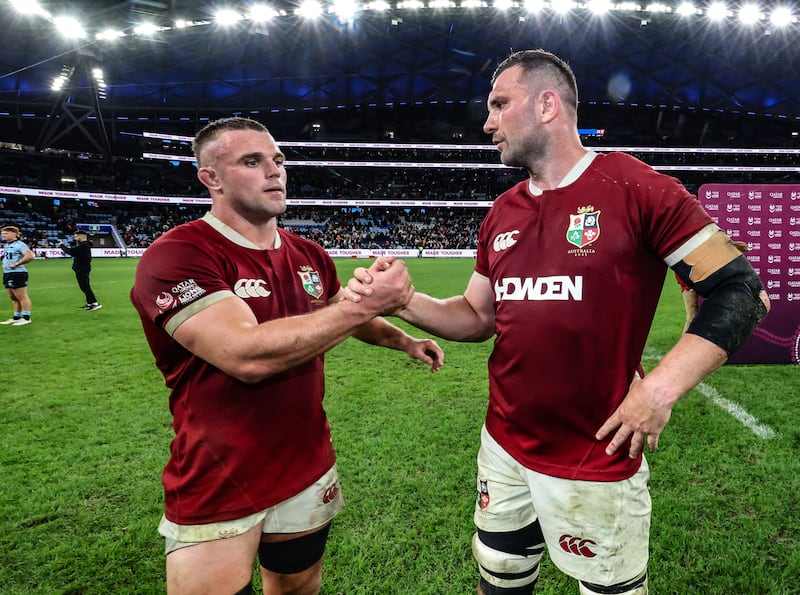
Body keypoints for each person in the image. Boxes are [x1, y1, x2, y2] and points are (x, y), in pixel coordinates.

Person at [346, 49, 770, 595]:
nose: (487, 122)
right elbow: (478, 316)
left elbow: (742, 290)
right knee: (499, 578)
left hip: (596, 454)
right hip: (503, 443)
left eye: (500, 104)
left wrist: (659, 391)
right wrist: (402, 300)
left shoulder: (638, 188)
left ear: (547, 104)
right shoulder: (503, 211)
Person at [130, 116, 444, 595]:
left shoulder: (309, 254)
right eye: (251, 162)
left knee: (298, 586)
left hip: (306, 460)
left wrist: (402, 339)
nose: (274, 171)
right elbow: (245, 357)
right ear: (209, 177)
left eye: (277, 160)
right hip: (220, 470)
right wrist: (367, 303)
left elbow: (340, 311)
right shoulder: (178, 254)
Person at [677, 240, 749, 332]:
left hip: (703, 272)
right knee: (692, 315)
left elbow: (709, 245)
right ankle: (687, 345)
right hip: (689, 274)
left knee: (715, 311)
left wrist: (731, 246)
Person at [60, 230, 102, 311]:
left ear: (81, 236)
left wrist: (62, 246)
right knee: (84, 287)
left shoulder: (83, 246)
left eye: (76, 236)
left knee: (85, 287)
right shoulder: (84, 245)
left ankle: (95, 303)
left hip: (82, 269)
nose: (75, 238)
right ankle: (90, 303)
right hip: (82, 268)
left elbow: (71, 252)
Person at [1, 225, 35, 326]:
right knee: (13, 297)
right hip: (7, 273)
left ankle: (26, 318)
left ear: (15, 234)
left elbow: (30, 256)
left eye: (6, 233)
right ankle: (16, 317)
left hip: (17, 273)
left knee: (21, 296)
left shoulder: (20, 244)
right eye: (2, 234)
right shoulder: (6, 245)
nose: (3, 236)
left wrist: (17, 264)